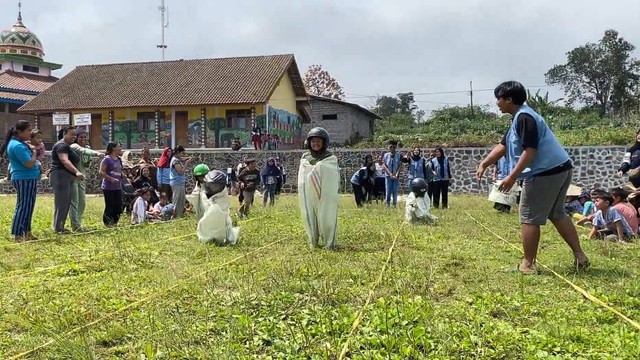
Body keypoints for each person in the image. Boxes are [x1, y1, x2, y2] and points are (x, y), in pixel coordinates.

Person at [476, 80, 590, 274]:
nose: (497, 103)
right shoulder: (519, 118)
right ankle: (581, 256)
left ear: (509, 99)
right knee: (557, 213)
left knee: (529, 218)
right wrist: (485, 163)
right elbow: (503, 146)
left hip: (544, 172)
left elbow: (530, 152)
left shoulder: (524, 118)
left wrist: (512, 177)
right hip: (560, 168)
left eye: (499, 98)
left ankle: (528, 265)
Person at [298, 127, 340, 249]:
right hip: (309, 193)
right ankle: (313, 240)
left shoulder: (330, 157)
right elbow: (303, 175)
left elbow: (332, 175)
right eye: (313, 141)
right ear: (309, 143)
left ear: (324, 142)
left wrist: (319, 167)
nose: (315, 144)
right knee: (309, 214)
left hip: (325, 194)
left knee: (327, 215)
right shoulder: (305, 157)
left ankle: (328, 242)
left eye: (318, 141)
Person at [1, 120, 40, 241]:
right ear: (19, 132)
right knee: (23, 206)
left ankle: (27, 231)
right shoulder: (17, 145)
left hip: (29, 178)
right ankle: (18, 234)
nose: (30, 133)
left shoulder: (21, 143)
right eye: (28, 131)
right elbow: (28, 163)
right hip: (24, 178)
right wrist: (34, 152)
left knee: (29, 205)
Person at [70, 129, 104, 231]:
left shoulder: (87, 148)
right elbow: (83, 151)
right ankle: (74, 225)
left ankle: (78, 223)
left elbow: (86, 164)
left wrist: (89, 159)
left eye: (85, 137)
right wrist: (96, 153)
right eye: (81, 137)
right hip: (73, 177)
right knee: (74, 202)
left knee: (82, 202)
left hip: (82, 177)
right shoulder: (74, 147)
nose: (83, 139)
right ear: (76, 138)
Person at [50, 127, 83, 234]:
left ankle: (60, 226)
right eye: (71, 134)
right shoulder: (61, 146)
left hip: (66, 176)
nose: (74, 137)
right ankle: (58, 228)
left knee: (66, 202)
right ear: (64, 134)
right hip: (60, 176)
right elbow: (64, 160)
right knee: (62, 203)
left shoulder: (67, 146)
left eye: (75, 135)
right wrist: (76, 171)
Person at [197, 170, 240, 245]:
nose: (213, 188)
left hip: (222, 223)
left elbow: (223, 208)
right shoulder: (205, 192)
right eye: (212, 186)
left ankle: (218, 238)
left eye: (216, 186)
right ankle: (207, 236)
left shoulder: (223, 194)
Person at [100, 142, 124, 226]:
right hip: (108, 187)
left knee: (118, 206)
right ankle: (107, 223)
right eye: (119, 146)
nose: (120, 148)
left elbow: (120, 171)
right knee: (110, 205)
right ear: (113, 148)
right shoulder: (107, 159)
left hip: (118, 186)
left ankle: (114, 222)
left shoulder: (119, 159)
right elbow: (101, 172)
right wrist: (110, 178)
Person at [169, 145, 192, 217]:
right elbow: (180, 172)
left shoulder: (176, 159)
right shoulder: (175, 161)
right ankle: (174, 215)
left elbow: (181, 159)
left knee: (181, 200)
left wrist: (185, 159)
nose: (183, 155)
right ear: (178, 152)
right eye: (182, 153)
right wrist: (186, 164)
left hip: (179, 183)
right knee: (176, 200)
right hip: (176, 182)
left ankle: (180, 214)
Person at [382, 140, 402, 208]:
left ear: (396, 147)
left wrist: (397, 174)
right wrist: (390, 174)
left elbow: (400, 165)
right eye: (391, 147)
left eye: (394, 147)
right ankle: (387, 204)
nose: (392, 148)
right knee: (388, 190)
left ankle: (394, 204)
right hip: (388, 176)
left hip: (396, 176)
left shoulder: (399, 155)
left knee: (395, 191)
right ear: (388, 147)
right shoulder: (385, 155)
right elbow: (384, 165)